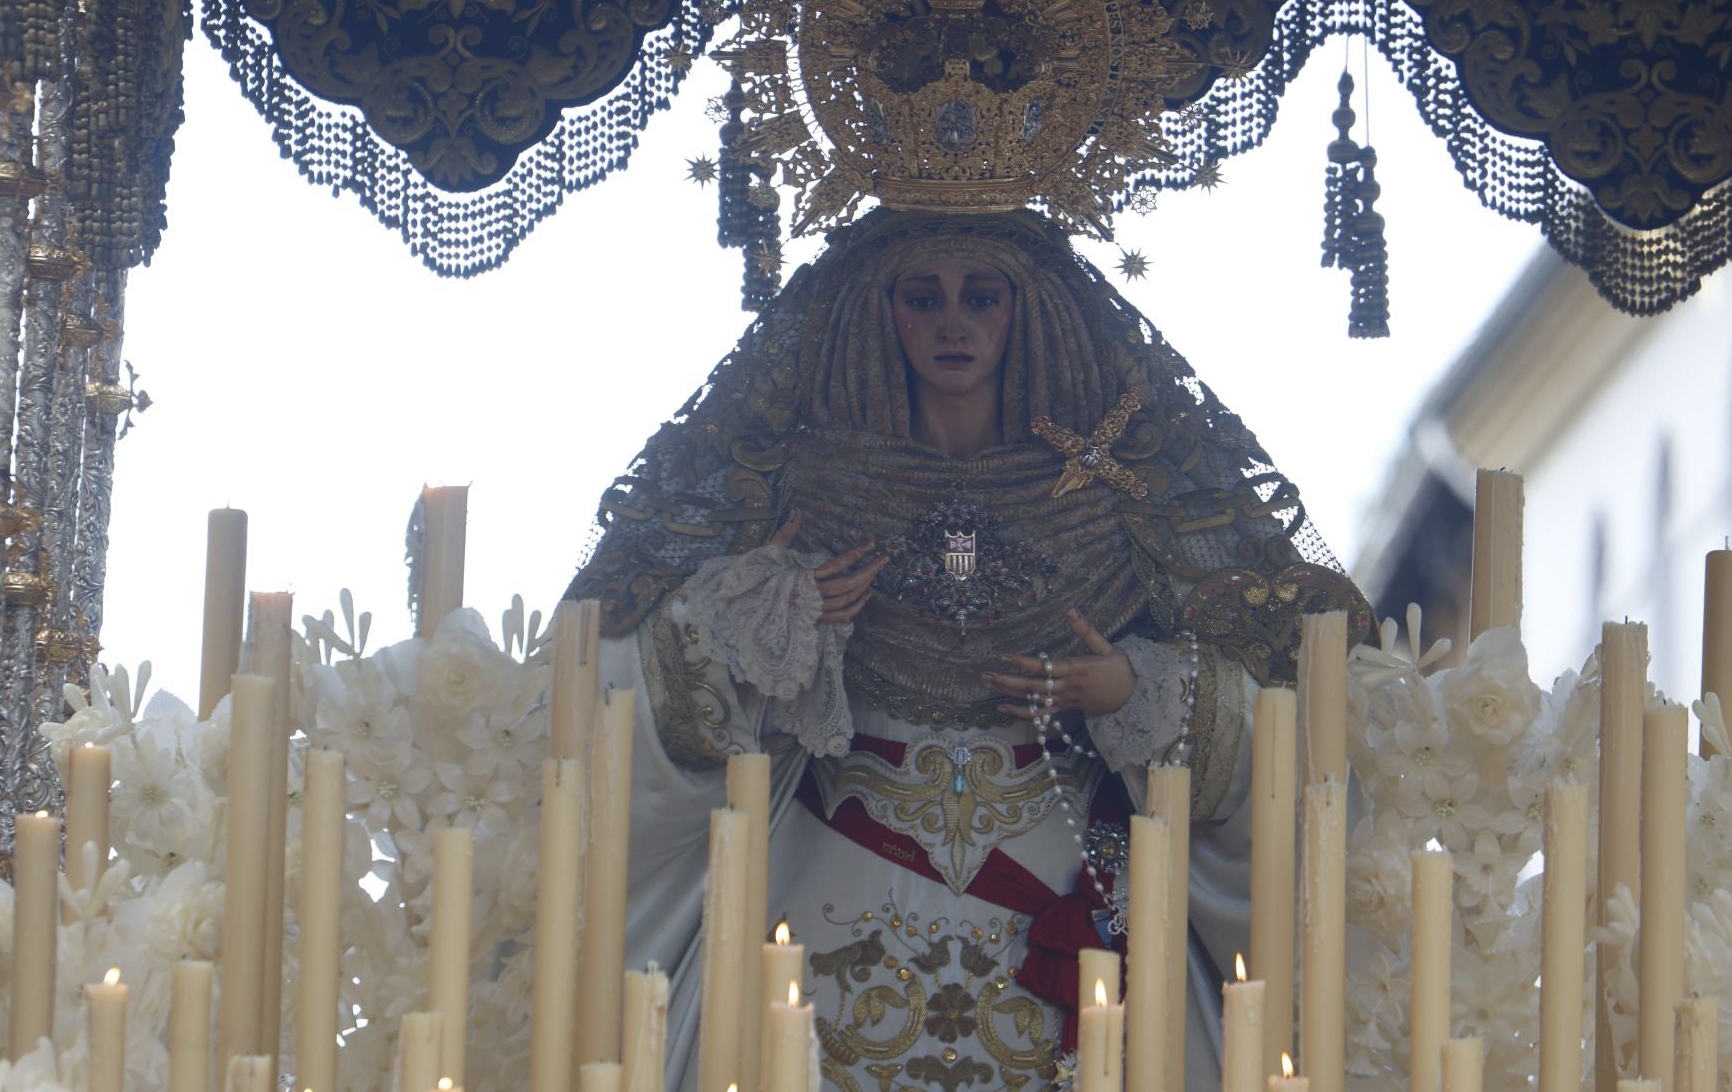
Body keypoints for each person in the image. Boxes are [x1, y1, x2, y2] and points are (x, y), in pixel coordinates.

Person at [567, 206, 1366, 1092]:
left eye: (981, 297)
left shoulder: (1110, 504)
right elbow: (616, 685)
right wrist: (761, 620)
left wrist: (1134, 687)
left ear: (1029, 314)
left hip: (1059, 895)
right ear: (880, 313)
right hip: (832, 890)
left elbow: (1286, 714)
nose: (953, 325)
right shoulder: (806, 489)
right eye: (923, 297)